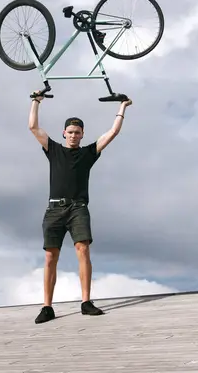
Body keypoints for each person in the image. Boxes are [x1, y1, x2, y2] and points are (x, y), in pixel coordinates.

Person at [29, 90, 132, 324]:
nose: (74, 135)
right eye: (70, 132)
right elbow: (33, 127)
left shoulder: (88, 153)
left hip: (78, 208)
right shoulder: (53, 150)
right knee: (49, 256)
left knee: (83, 249)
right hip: (54, 209)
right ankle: (47, 307)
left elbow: (113, 132)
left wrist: (122, 107)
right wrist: (36, 101)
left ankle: (86, 302)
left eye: (78, 132)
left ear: (82, 134)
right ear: (64, 133)